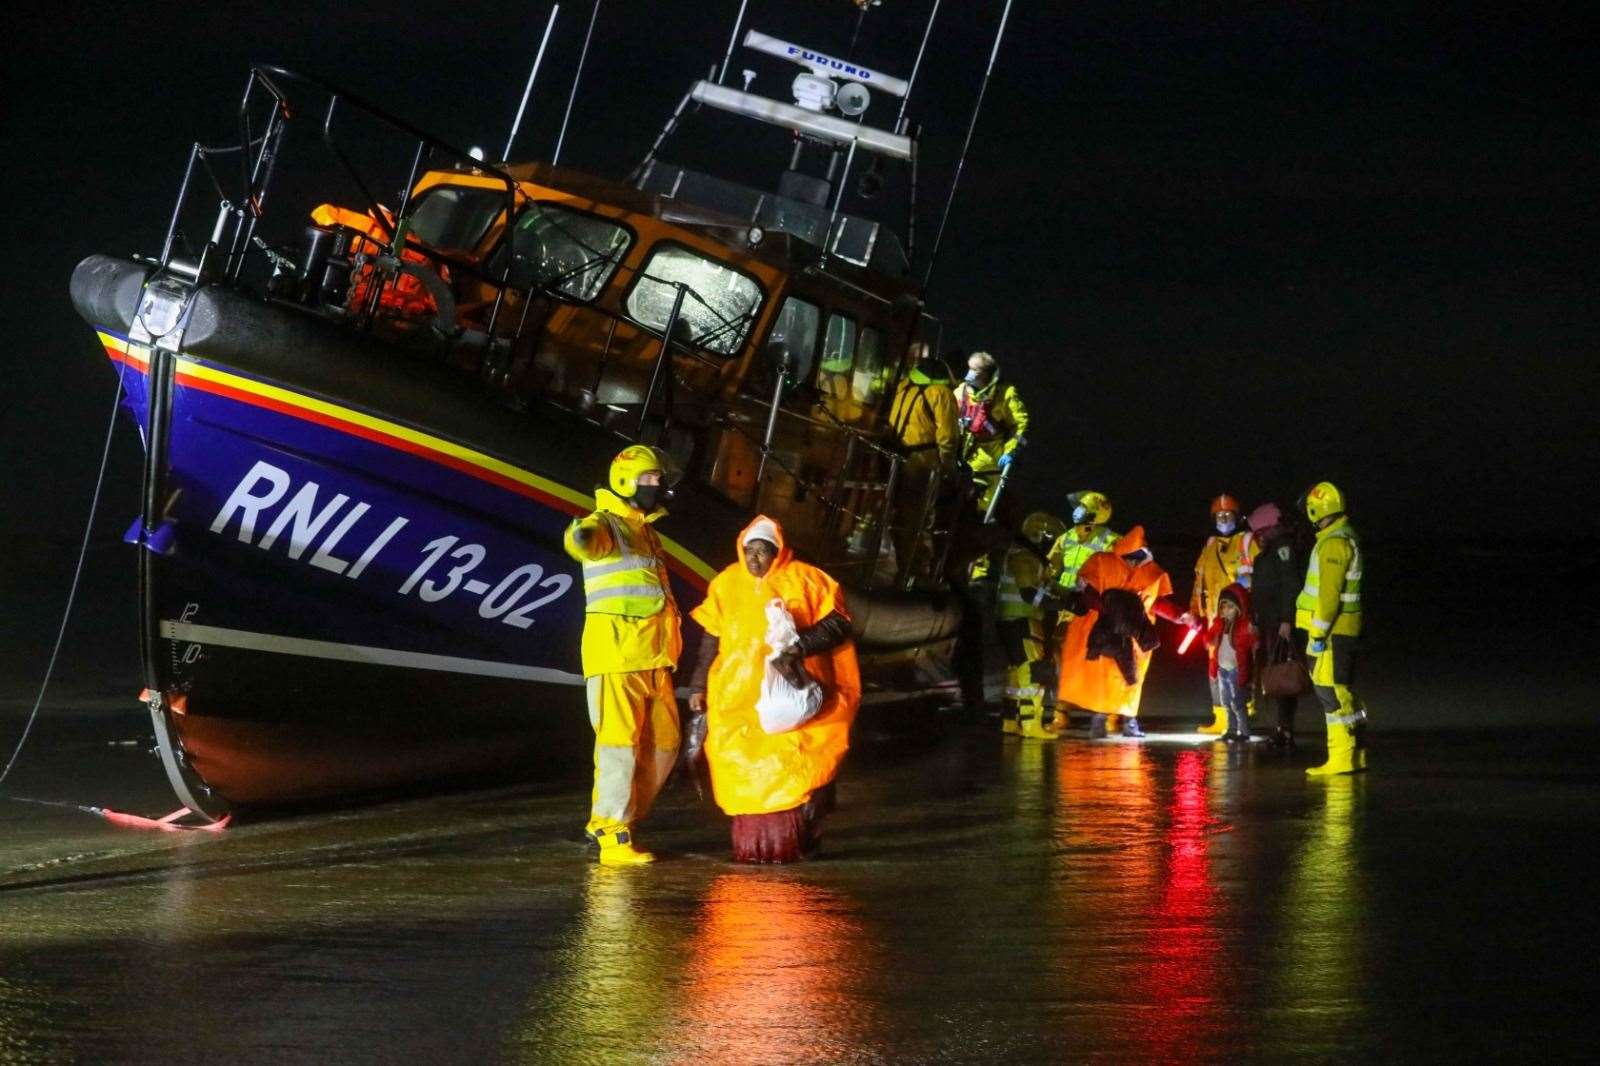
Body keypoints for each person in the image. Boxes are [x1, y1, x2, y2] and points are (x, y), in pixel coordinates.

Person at [685, 516, 860, 862]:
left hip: (795, 697)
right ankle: (755, 847)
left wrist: (801, 646)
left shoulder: (808, 579)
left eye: (762, 552)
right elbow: (711, 639)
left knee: (801, 766)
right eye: (749, 552)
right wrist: (698, 685)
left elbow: (839, 623)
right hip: (738, 699)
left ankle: (803, 839)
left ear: (777, 552)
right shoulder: (725, 584)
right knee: (739, 768)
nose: (755, 559)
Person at [563, 444, 683, 865]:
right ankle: (613, 833)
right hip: (616, 654)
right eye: (649, 479)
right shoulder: (606, 524)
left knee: (667, 743)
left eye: (657, 480)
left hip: (652, 655)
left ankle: (620, 818)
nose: (656, 486)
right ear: (624, 482)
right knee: (618, 746)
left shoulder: (645, 529)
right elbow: (585, 542)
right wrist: (580, 536)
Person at [1056, 526, 1187, 738]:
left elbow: (1156, 602)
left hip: (1133, 634)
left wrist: (1180, 616)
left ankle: (1127, 722)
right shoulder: (1101, 562)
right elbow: (1087, 592)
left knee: (1130, 678)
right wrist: (1111, 611)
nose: (1134, 563)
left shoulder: (1151, 572)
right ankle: (1101, 721)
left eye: (1138, 558)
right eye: (1132, 558)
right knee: (1104, 676)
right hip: (1106, 630)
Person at [1297, 482, 1367, 775]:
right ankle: (1354, 755)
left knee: (1331, 692)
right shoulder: (1342, 537)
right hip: (1342, 631)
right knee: (1342, 693)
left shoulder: (1332, 544)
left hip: (1332, 634)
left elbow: (1328, 598)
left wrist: (1316, 635)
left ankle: (1340, 757)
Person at [886, 345, 961, 577]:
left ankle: (904, 566)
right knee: (918, 521)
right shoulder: (942, 394)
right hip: (922, 465)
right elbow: (948, 437)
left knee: (897, 516)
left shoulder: (902, 386)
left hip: (893, 458)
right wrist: (948, 468)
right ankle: (915, 574)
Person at [953, 351, 1029, 577]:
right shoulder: (961, 391)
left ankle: (975, 567)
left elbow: (1020, 424)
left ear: (985, 375)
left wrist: (1010, 451)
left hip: (990, 462)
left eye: (975, 371)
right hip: (962, 456)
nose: (969, 374)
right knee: (956, 506)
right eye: (969, 369)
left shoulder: (1005, 394)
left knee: (981, 511)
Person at [1192, 494, 1259, 735]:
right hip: (1215, 621)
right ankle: (1220, 716)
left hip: (1239, 622)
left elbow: (1258, 578)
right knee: (1215, 667)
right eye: (1218, 516)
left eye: (1227, 515)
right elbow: (1199, 583)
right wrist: (1193, 613)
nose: (1223, 519)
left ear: (1238, 517)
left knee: (1242, 667)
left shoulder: (1247, 541)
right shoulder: (1209, 546)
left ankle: (1245, 715)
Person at [997, 512, 1067, 738]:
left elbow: (1048, 585)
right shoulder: (1025, 557)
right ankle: (1031, 724)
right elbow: (1029, 593)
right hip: (1021, 620)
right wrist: (1056, 604)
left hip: (1012, 621)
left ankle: (1010, 721)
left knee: (1016, 673)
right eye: (1051, 538)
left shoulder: (1029, 556)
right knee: (1032, 672)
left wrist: (1069, 597)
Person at [1245, 501, 1303, 747]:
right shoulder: (1269, 552)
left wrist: (1287, 619)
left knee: (1282, 675)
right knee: (1272, 675)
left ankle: (1285, 729)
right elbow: (1262, 591)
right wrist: (1256, 620)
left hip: (1279, 623)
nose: (1257, 538)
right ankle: (1280, 727)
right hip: (1269, 622)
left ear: (1269, 528)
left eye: (1259, 533)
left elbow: (1290, 584)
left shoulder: (1282, 549)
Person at [1206, 584, 1258, 742]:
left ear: (1239, 608)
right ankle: (1231, 729)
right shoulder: (1219, 624)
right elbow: (1207, 640)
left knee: (1238, 702)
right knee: (1226, 701)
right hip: (1223, 669)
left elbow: (1254, 642)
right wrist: (1210, 639)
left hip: (1236, 669)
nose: (1225, 611)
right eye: (1223, 607)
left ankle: (1244, 731)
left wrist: (1254, 634)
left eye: (1230, 607)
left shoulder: (1244, 625)